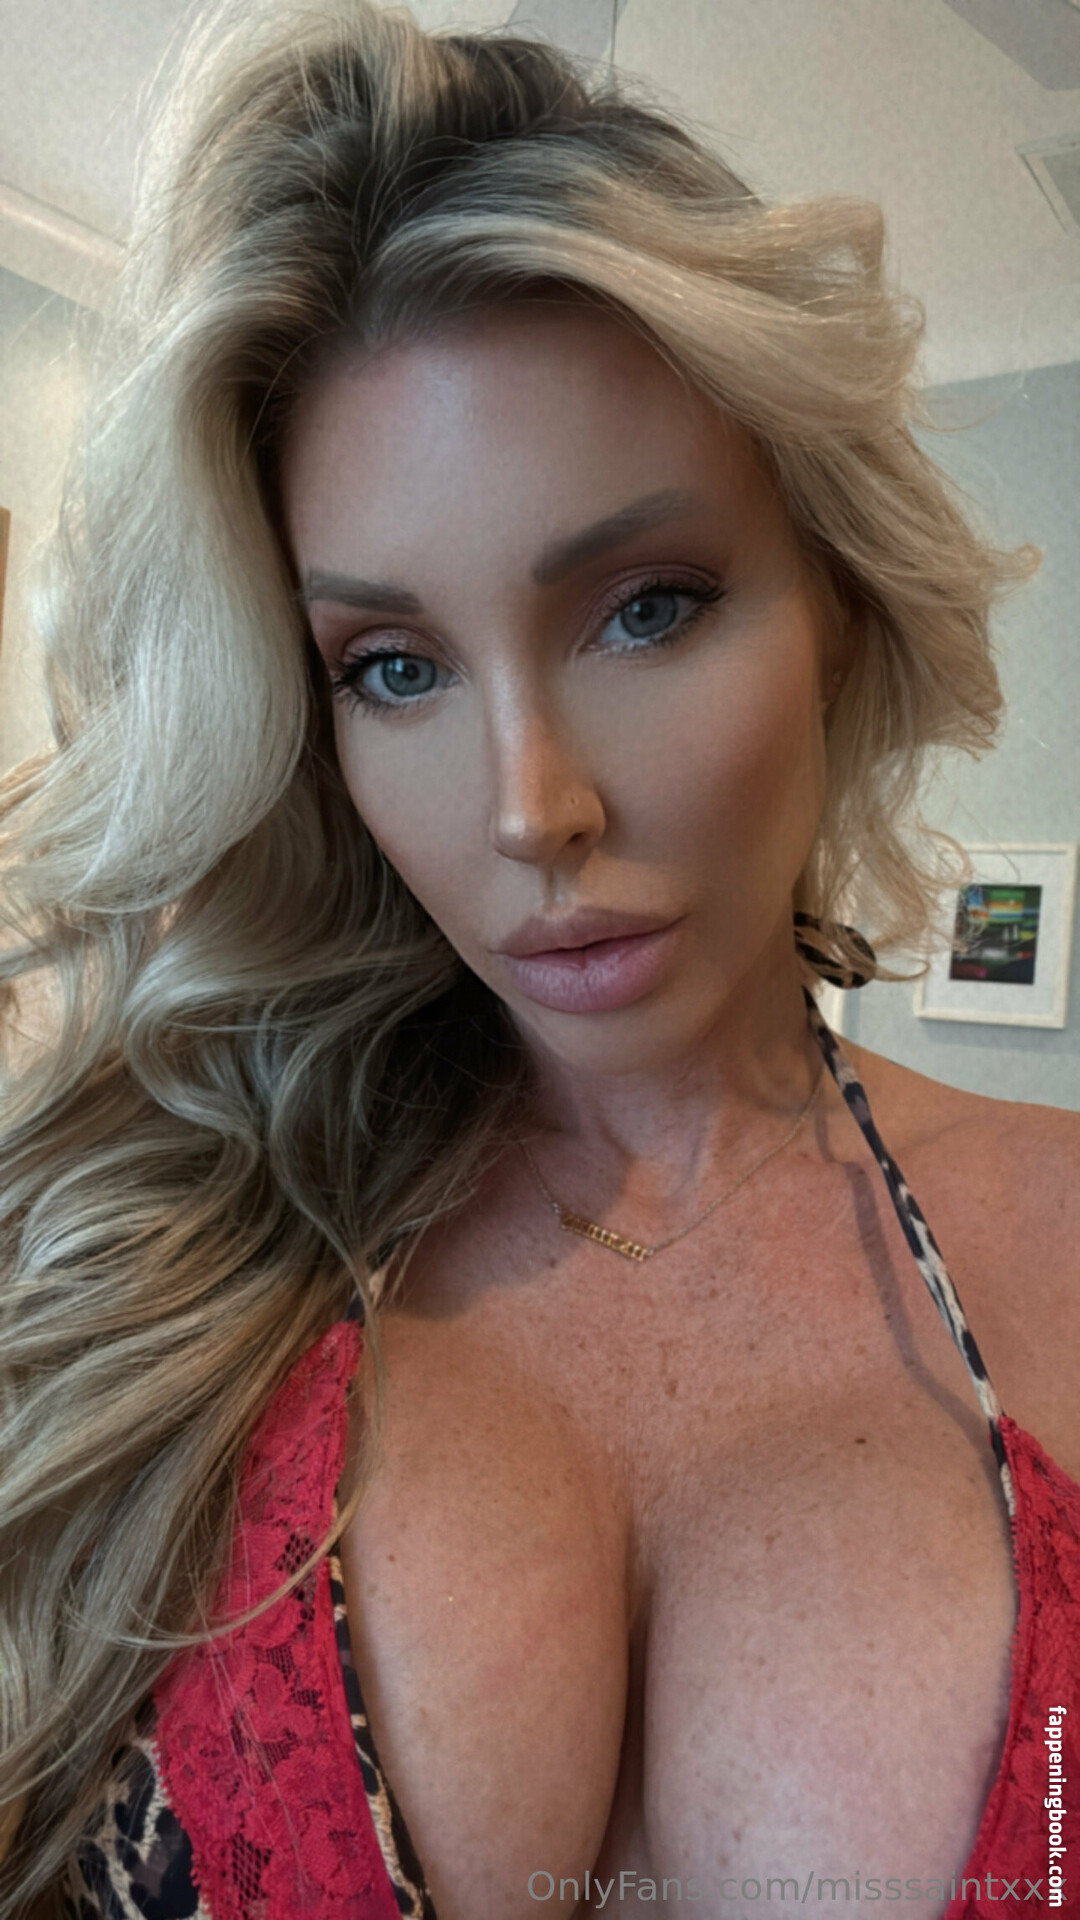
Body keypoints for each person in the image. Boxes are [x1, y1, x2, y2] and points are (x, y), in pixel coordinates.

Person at [0, 2, 1077, 1916]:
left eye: (646, 608)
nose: (531, 808)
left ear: (836, 603)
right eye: (392, 667)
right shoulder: (143, 1270)